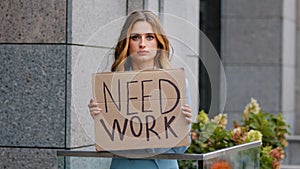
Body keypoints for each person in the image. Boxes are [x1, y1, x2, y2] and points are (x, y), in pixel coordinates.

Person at [88, 10, 192, 169]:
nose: (142, 44)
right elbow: (110, 144)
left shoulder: (177, 84)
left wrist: (183, 125)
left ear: (158, 43)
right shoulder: (111, 87)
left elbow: (180, 149)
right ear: (126, 43)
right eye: (135, 37)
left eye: (149, 37)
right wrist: (101, 119)